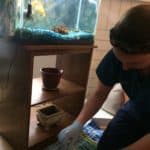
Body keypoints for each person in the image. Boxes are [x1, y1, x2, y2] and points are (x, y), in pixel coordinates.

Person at [58, 4, 150, 150]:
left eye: (133, 63)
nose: (124, 68)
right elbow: (100, 94)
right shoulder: (117, 55)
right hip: (137, 108)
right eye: (120, 60)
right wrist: (78, 123)